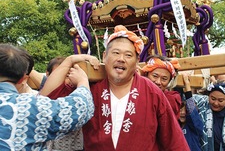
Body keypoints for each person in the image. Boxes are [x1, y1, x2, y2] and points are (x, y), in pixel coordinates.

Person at [40, 25, 189, 151]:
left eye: (128, 55)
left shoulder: (152, 92)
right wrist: (70, 60)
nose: (121, 59)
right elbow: (46, 98)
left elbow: (174, 141)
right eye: (116, 53)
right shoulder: (88, 88)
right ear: (104, 56)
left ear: (137, 61)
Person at [0, 43, 95, 150]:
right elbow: (81, 107)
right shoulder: (30, 107)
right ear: (23, 78)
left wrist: (69, 61)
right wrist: (82, 80)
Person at [141, 54, 182, 120]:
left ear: (169, 81)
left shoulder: (172, 99)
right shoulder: (137, 93)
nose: (158, 82)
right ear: (146, 75)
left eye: (164, 79)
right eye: (155, 76)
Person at [179, 73, 204, 151]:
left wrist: (187, 86)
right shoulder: (172, 127)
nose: (183, 112)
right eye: (179, 109)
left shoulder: (195, 127)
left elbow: (192, 109)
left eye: (185, 109)